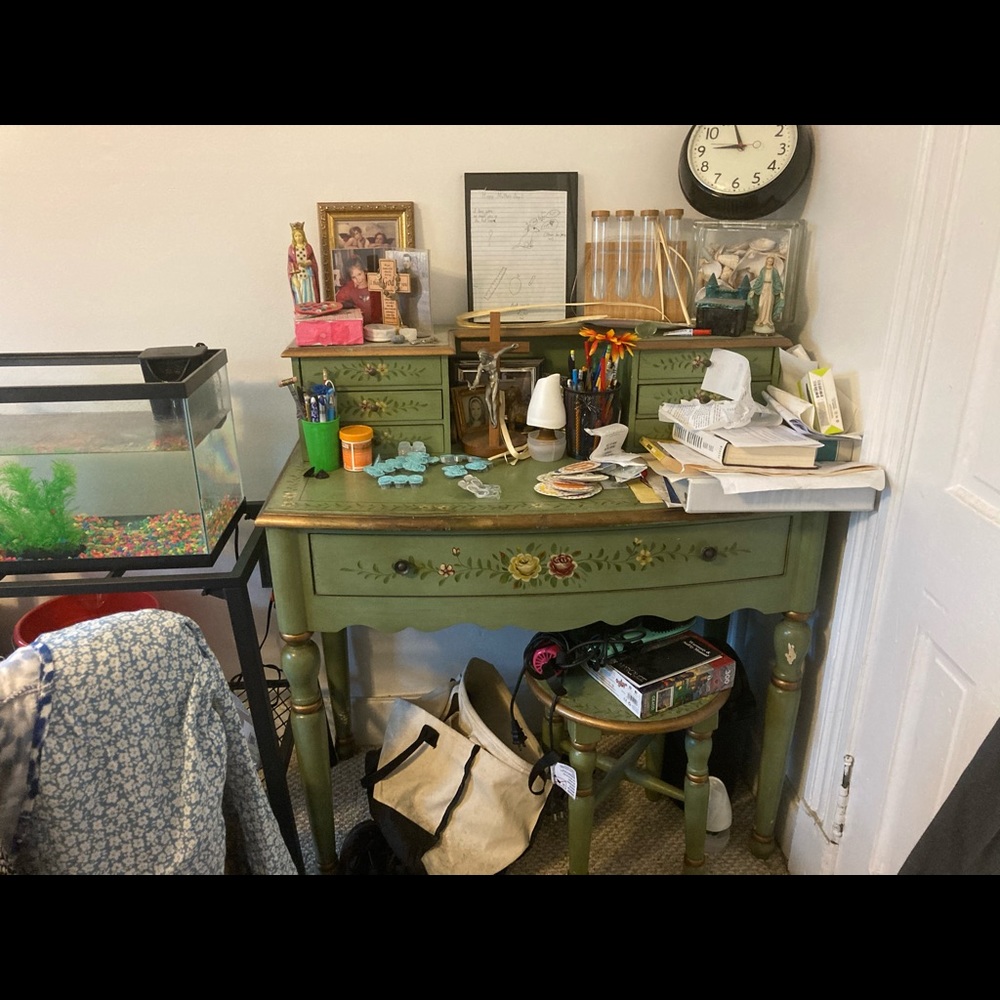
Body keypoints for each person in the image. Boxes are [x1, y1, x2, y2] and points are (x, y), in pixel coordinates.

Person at [470, 342, 518, 426]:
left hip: (496, 380)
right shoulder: (481, 366)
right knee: (486, 398)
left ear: (485, 357)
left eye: (481, 358)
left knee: (493, 399)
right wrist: (474, 386)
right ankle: (491, 417)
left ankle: (495, 418)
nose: (480, 360)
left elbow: (502, 351)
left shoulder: (494, 358)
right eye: (479, 358)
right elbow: (477, 378)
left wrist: (511, 347)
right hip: (490, 381)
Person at [287, 222, 320, 306]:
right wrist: (294, 278)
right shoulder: (292, 249)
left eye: (300, 235)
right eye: (296, 236)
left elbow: (313, 261)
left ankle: (312, 306)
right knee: (300, 294)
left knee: (309, 292)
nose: (298, 238)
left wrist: (308, 262)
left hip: (308, 274)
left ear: (303, 236)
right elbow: (290, 264)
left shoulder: (308, 247)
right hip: (298, 276)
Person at [335, 257, 377, 322]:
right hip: (358, 324)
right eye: (354, 277)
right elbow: (338, 298)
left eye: (359, 274)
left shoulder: (374, 286)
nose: (358, 279)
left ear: (365, 271)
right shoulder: (351, 289)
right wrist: (351, 284)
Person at [750, 256, 784, 334]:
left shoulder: (774, 271)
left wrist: (780, 292)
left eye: (771, 261)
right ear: (766, 261)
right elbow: (759, 280)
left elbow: (777, 281)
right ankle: (760, 319)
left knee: (769, 305)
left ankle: (767, 321)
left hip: (770, 289)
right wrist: (754, 290)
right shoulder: (763, 270)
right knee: (761, 304)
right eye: (768, 261)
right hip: (763, 288)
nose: (769, 262)